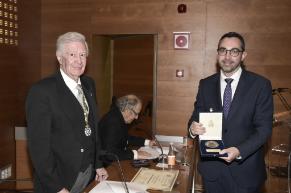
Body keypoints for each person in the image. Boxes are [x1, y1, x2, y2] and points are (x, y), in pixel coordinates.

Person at [188, 32, 273, 193]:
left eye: (234, 51)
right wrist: (192, 129)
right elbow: (195, 116)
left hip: (246, 172)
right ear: (217, 54)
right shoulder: (205, 84)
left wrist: (239, 150)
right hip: (212, 172)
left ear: (243, 55)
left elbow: (264, 129)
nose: (227, 56)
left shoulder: (260, 85)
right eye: (223, 50)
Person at [26, 32, 108, 193]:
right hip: (61, 180)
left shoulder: (88, 84)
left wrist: (98, 164)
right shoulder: (42, 91)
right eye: (72, 54)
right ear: (59, 57)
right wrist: (56, 187)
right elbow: (39, 148)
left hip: (89, 173)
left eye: (83, 54)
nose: (79, 60)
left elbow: (93, 128)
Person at [99, 94, 155, 161]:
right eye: (136, 113)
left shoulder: (119, 116)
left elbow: (125, 138)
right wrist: (135, 154)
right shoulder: (112, 122)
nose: (136, 117)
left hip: (115, 161)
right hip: (108, 166)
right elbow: (109, 154)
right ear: (127, 110)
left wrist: (147, 142)